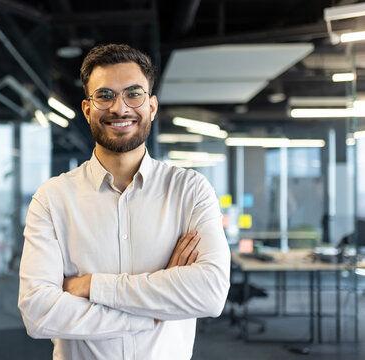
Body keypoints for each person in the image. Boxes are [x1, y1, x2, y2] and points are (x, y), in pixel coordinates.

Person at [18, 43, 230, 360]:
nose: (120, 108)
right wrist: (156, 308)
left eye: (133, 94)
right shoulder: (53, 197)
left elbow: (210, 295)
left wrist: (92, 286)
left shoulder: (190, 190)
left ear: (152, 106)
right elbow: (38, 312)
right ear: (88, 108)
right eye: (105, 95)